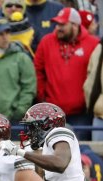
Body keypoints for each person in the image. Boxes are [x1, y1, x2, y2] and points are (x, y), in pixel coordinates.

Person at [34, 7, 99, 141]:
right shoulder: (47, 42)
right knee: (51, 152)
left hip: (81, 114)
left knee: (81, 152)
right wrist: (42, 98)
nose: (58, 27)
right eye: (57, 24)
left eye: (62, 24)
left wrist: (90, 103)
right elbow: (37, 71)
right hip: (52, 113)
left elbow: (97, 76)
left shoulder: (93, 44)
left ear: (75, 25)